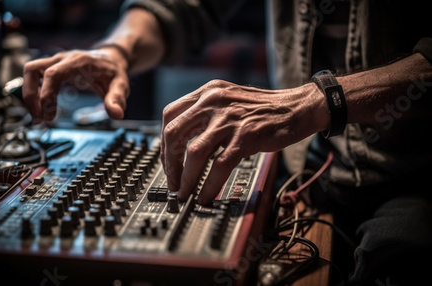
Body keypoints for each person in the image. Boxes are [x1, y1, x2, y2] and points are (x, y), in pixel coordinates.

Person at [22, 0, 432, 285]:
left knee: (396, 255)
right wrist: (117, 49)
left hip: (415, 173)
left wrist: (321, 99)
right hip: (314, 162)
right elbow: (181, 10)